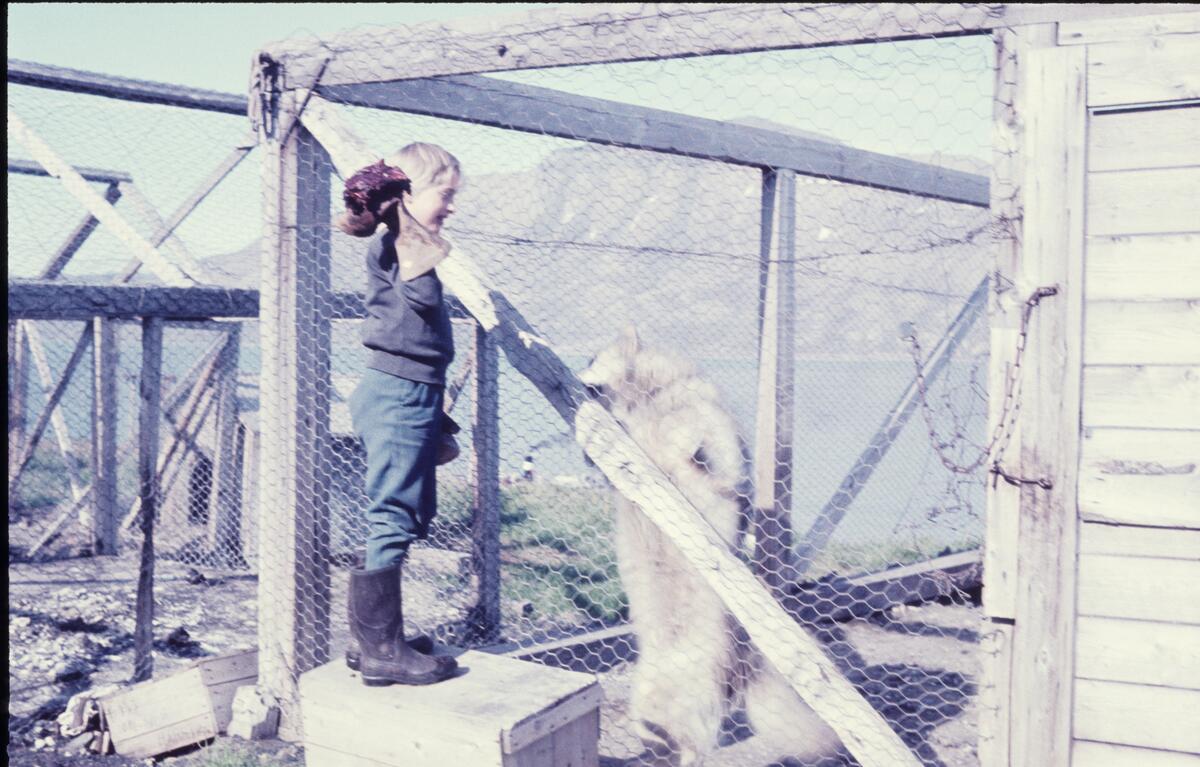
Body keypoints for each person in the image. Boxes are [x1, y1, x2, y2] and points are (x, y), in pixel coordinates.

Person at [338, 143, 462, 686]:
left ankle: (375, 638)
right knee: (391, 515)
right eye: (446, 194)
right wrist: (403, 218)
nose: (452, 207)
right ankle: (379, 650)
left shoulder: (409, 247)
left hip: (412, 391)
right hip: (398, 394)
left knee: (408, 514)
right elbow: (416, 302)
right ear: (409, 194)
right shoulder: (403, 251)